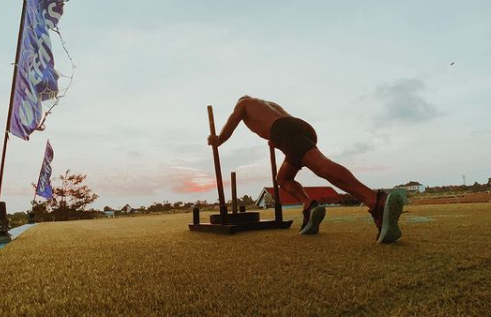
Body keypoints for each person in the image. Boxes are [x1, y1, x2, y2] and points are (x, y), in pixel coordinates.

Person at [208, 95, 403, 243]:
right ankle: (309, 205)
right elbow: (282, 122)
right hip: (300, 127)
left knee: (321, 166)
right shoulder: (269, 105)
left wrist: (218, 140)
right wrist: (275, 139)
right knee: (283, 179)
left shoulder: (243, 103)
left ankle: (375, 200)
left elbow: (232, 121)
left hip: (283, 130)